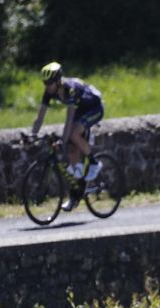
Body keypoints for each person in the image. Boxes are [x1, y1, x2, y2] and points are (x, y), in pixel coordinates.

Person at [31, 61, 105, 210]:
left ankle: (94, 162)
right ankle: (75, 194)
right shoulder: (49, 92)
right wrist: (31, 135)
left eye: (50, 82)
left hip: (94, 108)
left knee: (73, 134)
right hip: (82, 109)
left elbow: (69, 118)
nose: (47, 86)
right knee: (72, 152)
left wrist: (62, 141)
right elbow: (40, 117)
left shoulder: (70, 89)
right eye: (45, 82)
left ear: (58, 81)